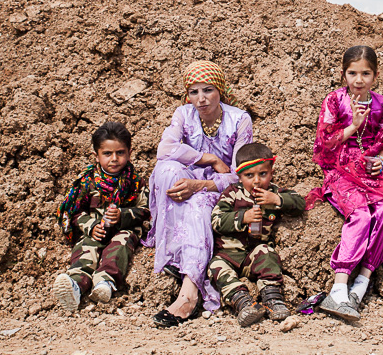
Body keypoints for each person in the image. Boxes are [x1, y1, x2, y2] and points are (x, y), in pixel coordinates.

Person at [307, 45, 383, 321]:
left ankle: (361, 282)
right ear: (344, 74)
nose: (358, 79)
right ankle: (339, 286)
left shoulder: (382, 104)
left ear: (375, 76)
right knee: (361, 214)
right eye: (352, 73)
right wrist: (353, 127)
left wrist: (382, 159)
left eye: (365, 73)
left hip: (370, 171)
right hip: (340, 169)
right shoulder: (334, 101)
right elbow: (324, 144)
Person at [143, 60, 253, 327]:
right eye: (194, 92)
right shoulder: (183, 114)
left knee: (198, 204)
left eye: (208, 90)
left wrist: (201, 185)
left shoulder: (239, 120)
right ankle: (173, 251)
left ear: (220, 90)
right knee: (166, 170)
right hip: (192, 178)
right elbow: (165, 150)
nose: (201, 99)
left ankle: (189, 293)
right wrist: (208, 158)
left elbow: (240, 173)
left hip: (221, 188)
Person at [53, 121, 149, 310]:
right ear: (96, 156)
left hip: (124, 230)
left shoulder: (135, 182)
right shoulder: (87, 182)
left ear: (129, 153)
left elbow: (146, 210)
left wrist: (123, 215)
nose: (114, 159)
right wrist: (90, 226)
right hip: (95, 231)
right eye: (107, 154)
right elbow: (73, 212)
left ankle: (105, 283)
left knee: (120, 245)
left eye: (120, 153)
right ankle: (75, 286)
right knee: (86, 248)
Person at [208, 143, 306, 327]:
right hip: (229, 254)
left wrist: (276, 200)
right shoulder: (232, 194)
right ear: (239, 176)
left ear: (271, 172)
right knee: (215, 267)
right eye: (249, 175)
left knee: (267, 252)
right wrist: (242, 217)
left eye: (263, 174)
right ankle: (243, 302)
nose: (256, 181)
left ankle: (273, 299)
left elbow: (300, 203)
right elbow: (216, 220)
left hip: (254, 254)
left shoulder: (273, 192)